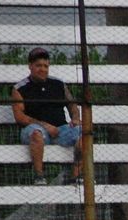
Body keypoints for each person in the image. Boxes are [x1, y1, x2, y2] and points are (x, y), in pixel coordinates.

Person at [11, 47, 83, 185]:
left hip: (61, 129)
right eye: (38, 66)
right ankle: (39, 176)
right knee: (37, 134)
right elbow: (19, 117)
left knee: (84, 133)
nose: (42, 69)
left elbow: (72, 105)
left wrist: (75, 117)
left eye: (45, 66)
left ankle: (76, 177)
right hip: (35, 130)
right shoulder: (19, 88)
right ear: (30, 66)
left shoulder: (58, 84)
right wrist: (44, 125)